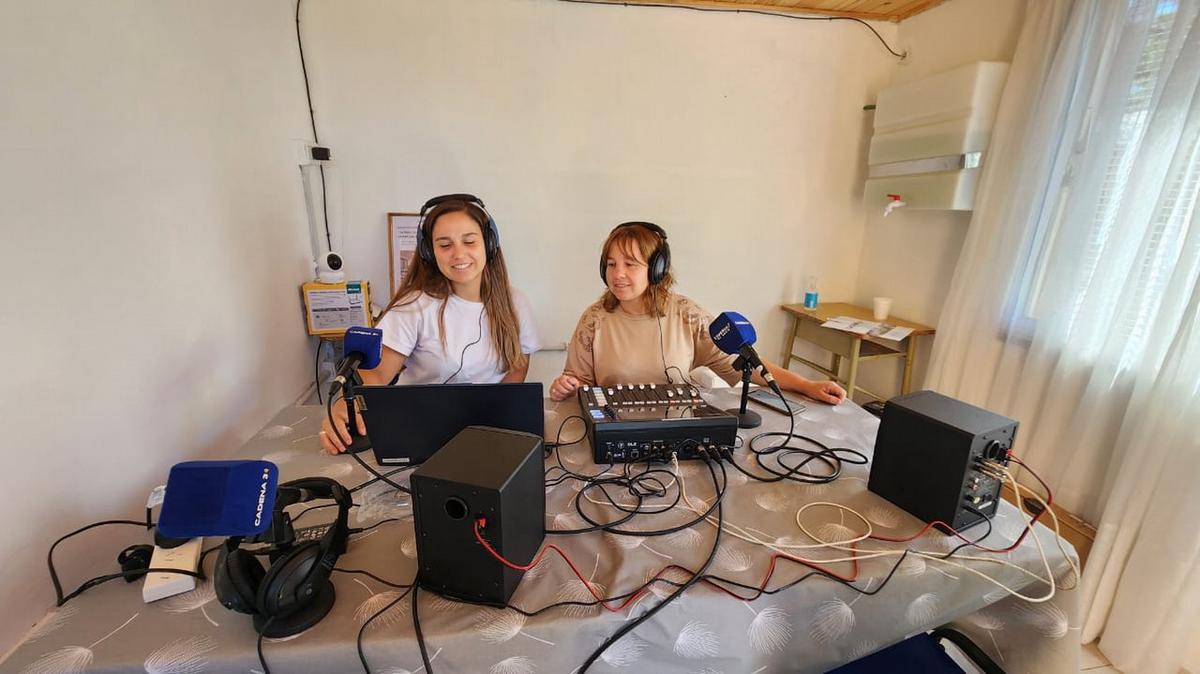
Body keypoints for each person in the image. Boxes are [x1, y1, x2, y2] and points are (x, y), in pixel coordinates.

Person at [321, 194, 540, 453]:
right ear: (429, 252)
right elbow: (376, 373)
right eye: (444, 245)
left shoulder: (516, 302)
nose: (459, 254)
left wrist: (496, 420)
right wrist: (346, 406)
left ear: (489, 244)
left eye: (469, 241)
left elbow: (517, 366)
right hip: (420, 429)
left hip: (487, 430)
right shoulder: (414, 305)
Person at [549, 221, 845, 404]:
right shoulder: (594, 319)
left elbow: (742, 363)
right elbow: (578, 383)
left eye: (630, 264)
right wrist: (566, 387)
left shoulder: (686, 315)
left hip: (676, 429)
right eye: (611, 264)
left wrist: (806, 385)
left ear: (656, 269)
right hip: (613, 431)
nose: (618, 274)